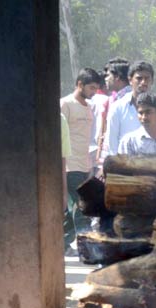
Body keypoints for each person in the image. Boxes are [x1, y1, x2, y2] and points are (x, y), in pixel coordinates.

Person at [60, 68, 100, 250]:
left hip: (85, 164)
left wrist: (91, 164)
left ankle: (62, 243)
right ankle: (87, 247)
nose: (93, 92)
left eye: (96, 88)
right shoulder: (65, 104)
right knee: (81, 206)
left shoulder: (90, 107)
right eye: (91, 87)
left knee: (73, 208)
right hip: (69, 165)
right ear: (80, 84)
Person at [107, 61, 156, 155]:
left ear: (152, 81)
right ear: (130, 80)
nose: (143, 82)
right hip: (125, 165)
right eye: (139, 78)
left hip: (153, 164)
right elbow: (112, 144)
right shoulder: (117, 108)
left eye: (147, 78)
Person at [96, 58, 130, 165]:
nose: (105, 79)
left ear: (117, 77)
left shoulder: (130, 99)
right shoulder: (113, 98)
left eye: (108, 75)